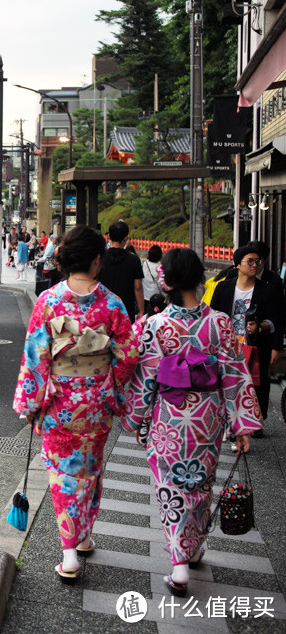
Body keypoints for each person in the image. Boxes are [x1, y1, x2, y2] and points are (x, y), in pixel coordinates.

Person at [124, 247, 262, 597]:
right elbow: (234, 374)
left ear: (166, 281)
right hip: (207, 419)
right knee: (200, 484)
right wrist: (241, 424)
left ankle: (180, 565)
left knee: (171, 489)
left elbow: (145, 380)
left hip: (169, 421)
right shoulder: (219, 323)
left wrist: (133, 417)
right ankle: (193, 547)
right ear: (200, 277)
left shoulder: (155, 325)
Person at [12, 225, 136, 584]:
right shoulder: (112, 304)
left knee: (63, 474)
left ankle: (71, 552)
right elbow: (128, 356)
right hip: (96, 403)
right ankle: (79, 539)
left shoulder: (48, 302)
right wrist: (111, 387)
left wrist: (30, 403)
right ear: (97, 261)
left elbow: (36, 356)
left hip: (58, 403)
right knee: (90, 469)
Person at [210, 245, 283, 434]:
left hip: (256, 344)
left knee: (256, 382)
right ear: (237, 265)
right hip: (228, 344)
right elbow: (213, 315)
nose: (255, 265)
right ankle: (228, 417)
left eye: (257, 261)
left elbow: (275, 320)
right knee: (228, 381)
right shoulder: (224, 287)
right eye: (249, 261)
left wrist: (260, 327)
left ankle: (256, 420)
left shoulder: (268, 291)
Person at [97, 221, 145, 320]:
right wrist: (141, 311)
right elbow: (138, 287)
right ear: (126, 238)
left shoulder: (99, 258)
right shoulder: (134, 259)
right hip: (126, 309)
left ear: (108, 236)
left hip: (103, 308)